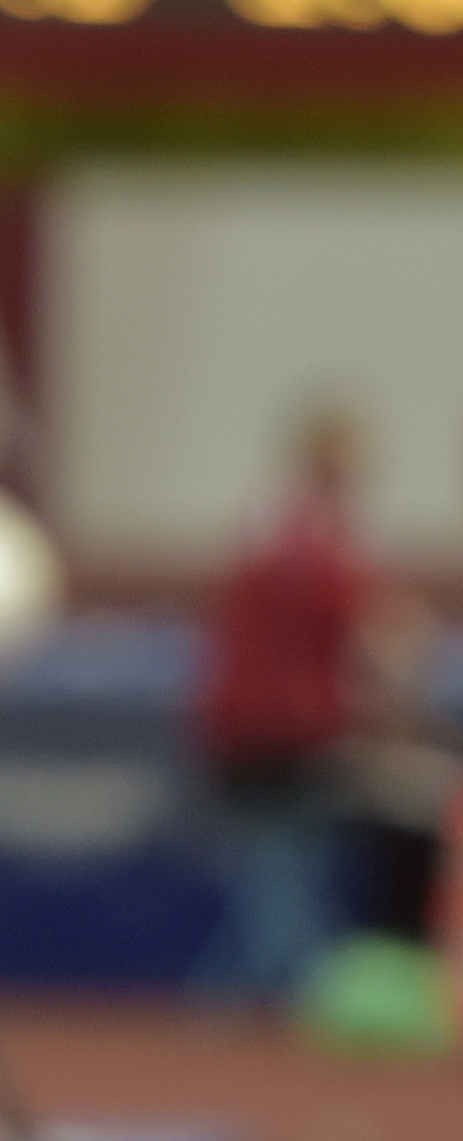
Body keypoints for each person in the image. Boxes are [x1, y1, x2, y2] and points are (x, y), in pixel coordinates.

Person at [193, 408, 371, 1004]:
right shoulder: (312, 535)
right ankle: (296, 992)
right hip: (275, 732)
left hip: (269, 728)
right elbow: (355, 631)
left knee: (275, 878)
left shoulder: (271, 522)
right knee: (279, 879)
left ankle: (221, 998)